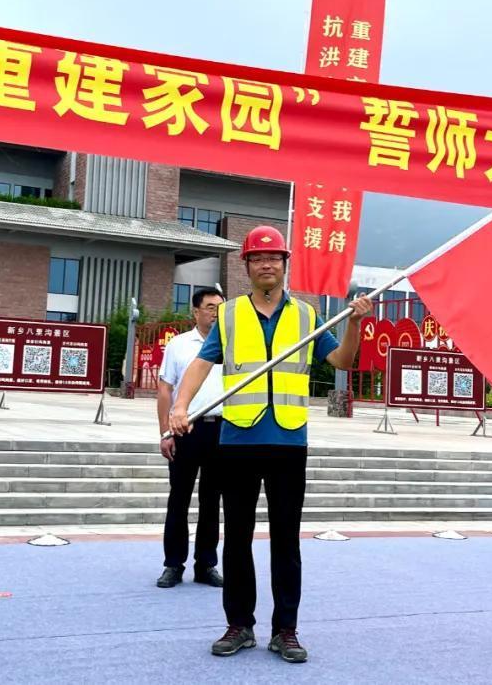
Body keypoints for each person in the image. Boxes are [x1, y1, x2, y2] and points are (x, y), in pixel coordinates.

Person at [170, 225, 371, 664]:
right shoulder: (229, 315)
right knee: (237, 538)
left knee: (286, 540)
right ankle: (239, 625)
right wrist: (179, 407)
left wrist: (354, 323)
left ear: (284, 264)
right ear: (246, 267)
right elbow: (203, 363)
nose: (266, 264)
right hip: (238, 438)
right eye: (258, 258)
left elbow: (341, 360)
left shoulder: (306, 315)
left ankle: (286, 630)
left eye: (274, 258)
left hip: (288, 440)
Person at [155, 286, 225, 589]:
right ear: (195, 311)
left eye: (220, 307)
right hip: (186, 431)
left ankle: (206, 564)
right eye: (209, 307)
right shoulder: (180, 345)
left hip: (222, 430)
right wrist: (165, 433)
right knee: (179, 499)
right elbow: (164, 390)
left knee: (212, 501)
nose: (215, 312)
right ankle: (173, 564)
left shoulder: (232, 345)